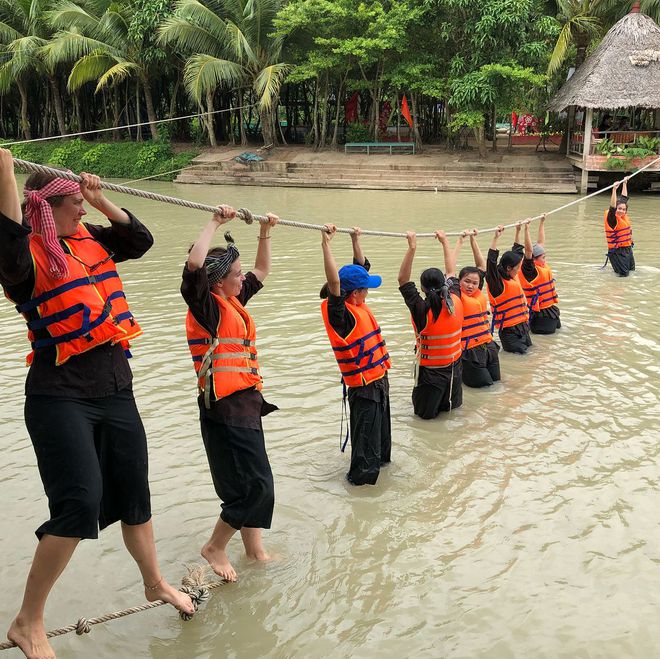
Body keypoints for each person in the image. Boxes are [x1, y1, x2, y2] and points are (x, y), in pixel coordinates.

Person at [0, 148, 194, 659]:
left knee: (134, 494)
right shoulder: (24, 260)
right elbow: (7, 240)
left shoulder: (89, 238)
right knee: (79, 504)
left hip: (114, 384)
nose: (81, 213)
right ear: (45, 206)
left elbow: (140, 240)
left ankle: (153, 583)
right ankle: (28, 621)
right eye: (73, 205)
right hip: (59, 394)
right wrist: (4, 170)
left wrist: (99, 198)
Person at [181, 205, 278, 582]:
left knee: (247, 484)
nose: (243, 280)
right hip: (225, 409)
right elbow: (193, 271)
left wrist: (266, 232)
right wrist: (215, 223)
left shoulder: (232, 300)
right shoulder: (207, 306)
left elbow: (263, 271)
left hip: (245, 405)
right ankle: (215, 546)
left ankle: (255, 551)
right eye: (236, 276)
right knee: (257, 487)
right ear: (217, 283)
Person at [320, 225, 391, 485]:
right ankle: (359, 489)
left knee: (382, 451)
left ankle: (379, 477)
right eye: (365, 289)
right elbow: (336, 283)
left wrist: (355, 240)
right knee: (365, 459)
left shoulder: (357, 303)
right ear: (354, 293)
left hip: (379, 382)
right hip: (364, 389)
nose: (368, 292)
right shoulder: (340, 315)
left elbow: (359, 268)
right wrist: (326, 244)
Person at [398, 230, 464, 418]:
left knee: (425, 420)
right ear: (445, 283)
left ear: (422, 289)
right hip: (455, 371)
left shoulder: (421, 310)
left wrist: (412, 247)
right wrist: (445, 242)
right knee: (450, 415)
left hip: (431, 376)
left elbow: (402, 280)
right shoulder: (456, 300)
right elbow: (452, 271)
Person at [451, 229, 501, 387]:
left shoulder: (478, 292)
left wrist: (473, 240)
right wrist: (460, 241)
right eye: (466, 281)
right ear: (459, 281)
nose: (471, 286)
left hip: (489, 346)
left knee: (497, 385)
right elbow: (450, 270)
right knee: (485, 389)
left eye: (474, 283)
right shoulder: (456, 294)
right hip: (469, 351)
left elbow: (481, 265)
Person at [486, 223, 532, 354]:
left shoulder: (511, 276)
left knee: (532, 357)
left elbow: (517, 252)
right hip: (510, 334)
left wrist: (518, 230)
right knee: (522, 362)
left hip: (523, 327)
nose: (518, 271)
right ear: (508, 268)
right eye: (517, 268)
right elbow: (491, 263)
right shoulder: (497, 285)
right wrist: (496, 238)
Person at [512, 215, 560, 334]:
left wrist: (542, 223)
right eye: (543, 258)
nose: (545, 260)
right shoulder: (530, 270)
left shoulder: (541, 266)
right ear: (534, 260)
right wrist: (526, 229)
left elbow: (541, 243)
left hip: (550, 309)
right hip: (541, 315)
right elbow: (528, 251)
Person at [604, 177, 634, 277]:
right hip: (617, 251)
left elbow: (624, 199)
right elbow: (612, 207)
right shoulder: (612, 219)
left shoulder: (623, 216)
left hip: (627, 249)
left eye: (623, 209)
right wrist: (614, 190)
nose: (621, 211)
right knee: (623, 276)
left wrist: (625, 183)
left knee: (632, 271)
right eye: (619, 209)